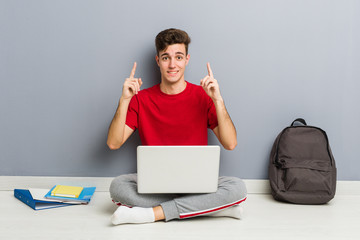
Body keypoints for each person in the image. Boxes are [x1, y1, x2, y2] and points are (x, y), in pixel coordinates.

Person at [107, 28, 247, 225]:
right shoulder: (141, 99)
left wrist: (218, 99)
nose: (172, 64)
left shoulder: (204, 96)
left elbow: (230, 143)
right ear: (157, 61)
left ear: (187, 59)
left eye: (178, 57)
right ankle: (207, 208)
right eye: (166, 58)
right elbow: (113, 143)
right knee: (118, 186)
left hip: (197, 184)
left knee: (237, 187)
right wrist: (124, 100)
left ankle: (151, 214)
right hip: (156, 184)